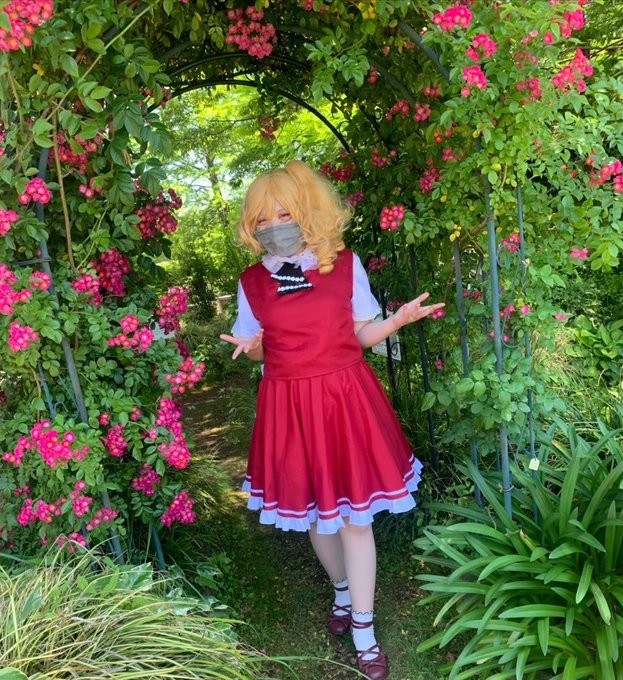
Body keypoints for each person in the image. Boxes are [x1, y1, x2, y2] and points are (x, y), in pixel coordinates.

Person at [220, 160, 444, 680]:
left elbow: (360, 336)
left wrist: (397, 320)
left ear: (307, 211)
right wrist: (252, 349)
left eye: (284, 214)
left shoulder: (343, 265)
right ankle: (342, 591)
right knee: (317, 514)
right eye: (262, 219)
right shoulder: (251, 282)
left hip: (344, 400)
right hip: (290, 407)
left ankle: (364, 629)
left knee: (355, 520)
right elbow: (257, 348)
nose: (273, 225)